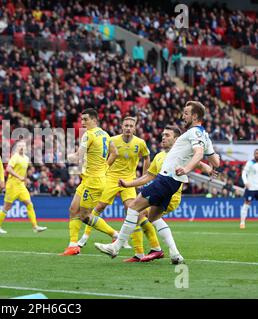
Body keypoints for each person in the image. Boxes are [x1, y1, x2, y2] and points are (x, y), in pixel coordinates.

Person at [95, 101, 220, 264]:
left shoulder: (194, 133)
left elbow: (199, 153)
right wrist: (129, 184)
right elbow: (215, 161)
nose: (183, 116)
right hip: (172, 183)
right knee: (153, 216)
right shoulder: (204, 135)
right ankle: (175, 254)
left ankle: (116, 246)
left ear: (195, 116)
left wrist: (187, 168)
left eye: (187, 113)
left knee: (133, 207)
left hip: (167, 178)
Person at [119, 126, 218, 262]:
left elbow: (197, 160)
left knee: (138, 212)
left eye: (167, 135)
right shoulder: (159, 156)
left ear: (176, 139)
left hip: (172, 195)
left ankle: (142, 249)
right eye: (162, 135)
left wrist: (206, 167)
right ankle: (168, 252)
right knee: (146, 215)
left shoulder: (182, 152)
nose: (163, 138)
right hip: (161, 189)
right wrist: (129, 184)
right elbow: (149, 176)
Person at [77, 116, 152, 249]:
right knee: (99, 207)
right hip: (111, 178)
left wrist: (144, 176)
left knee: (131, 210)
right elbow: (102, 155)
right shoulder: (112, 140)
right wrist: (102, 169)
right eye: (126, 125)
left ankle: (123, 240)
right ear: (122, 127)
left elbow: (146, 158)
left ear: (135, 128)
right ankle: (85, 237)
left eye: (131, 126)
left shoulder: (140, 143)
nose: (128, 128)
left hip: (129, 180)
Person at [61, 108, 119, 256]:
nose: (83, 122)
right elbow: (115, 153)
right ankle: (73, 245)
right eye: (82, 119)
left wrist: (67, 157)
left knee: (84, 216)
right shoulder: (105, 134)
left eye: (86, 119)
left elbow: (78, 156)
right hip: (89, 179)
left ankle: (115, 235)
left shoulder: (89, 134)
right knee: (73, 209)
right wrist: (105, 167)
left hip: (94, 181)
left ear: (94, 119)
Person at [0, 140, 47, 234]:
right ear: (17, 148)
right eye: (20, 146)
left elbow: (24, 171)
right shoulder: (15, 157)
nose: (22, 147)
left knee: (29, 204)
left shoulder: (26, 158)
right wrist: (19, 177)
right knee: (7, 207)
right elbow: (8, 169)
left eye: (23, 146)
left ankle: (35, 226)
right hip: (12, 185)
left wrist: (25, 180)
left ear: (26, 148)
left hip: (21, 185)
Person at [240, 148, 258, 229]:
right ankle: (242, 222)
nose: (257, 155)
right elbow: (244, 173)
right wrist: (245, 182)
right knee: (246, 204)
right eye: (256, 153)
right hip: (251, 188)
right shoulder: (250, 163)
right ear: (254, 154)